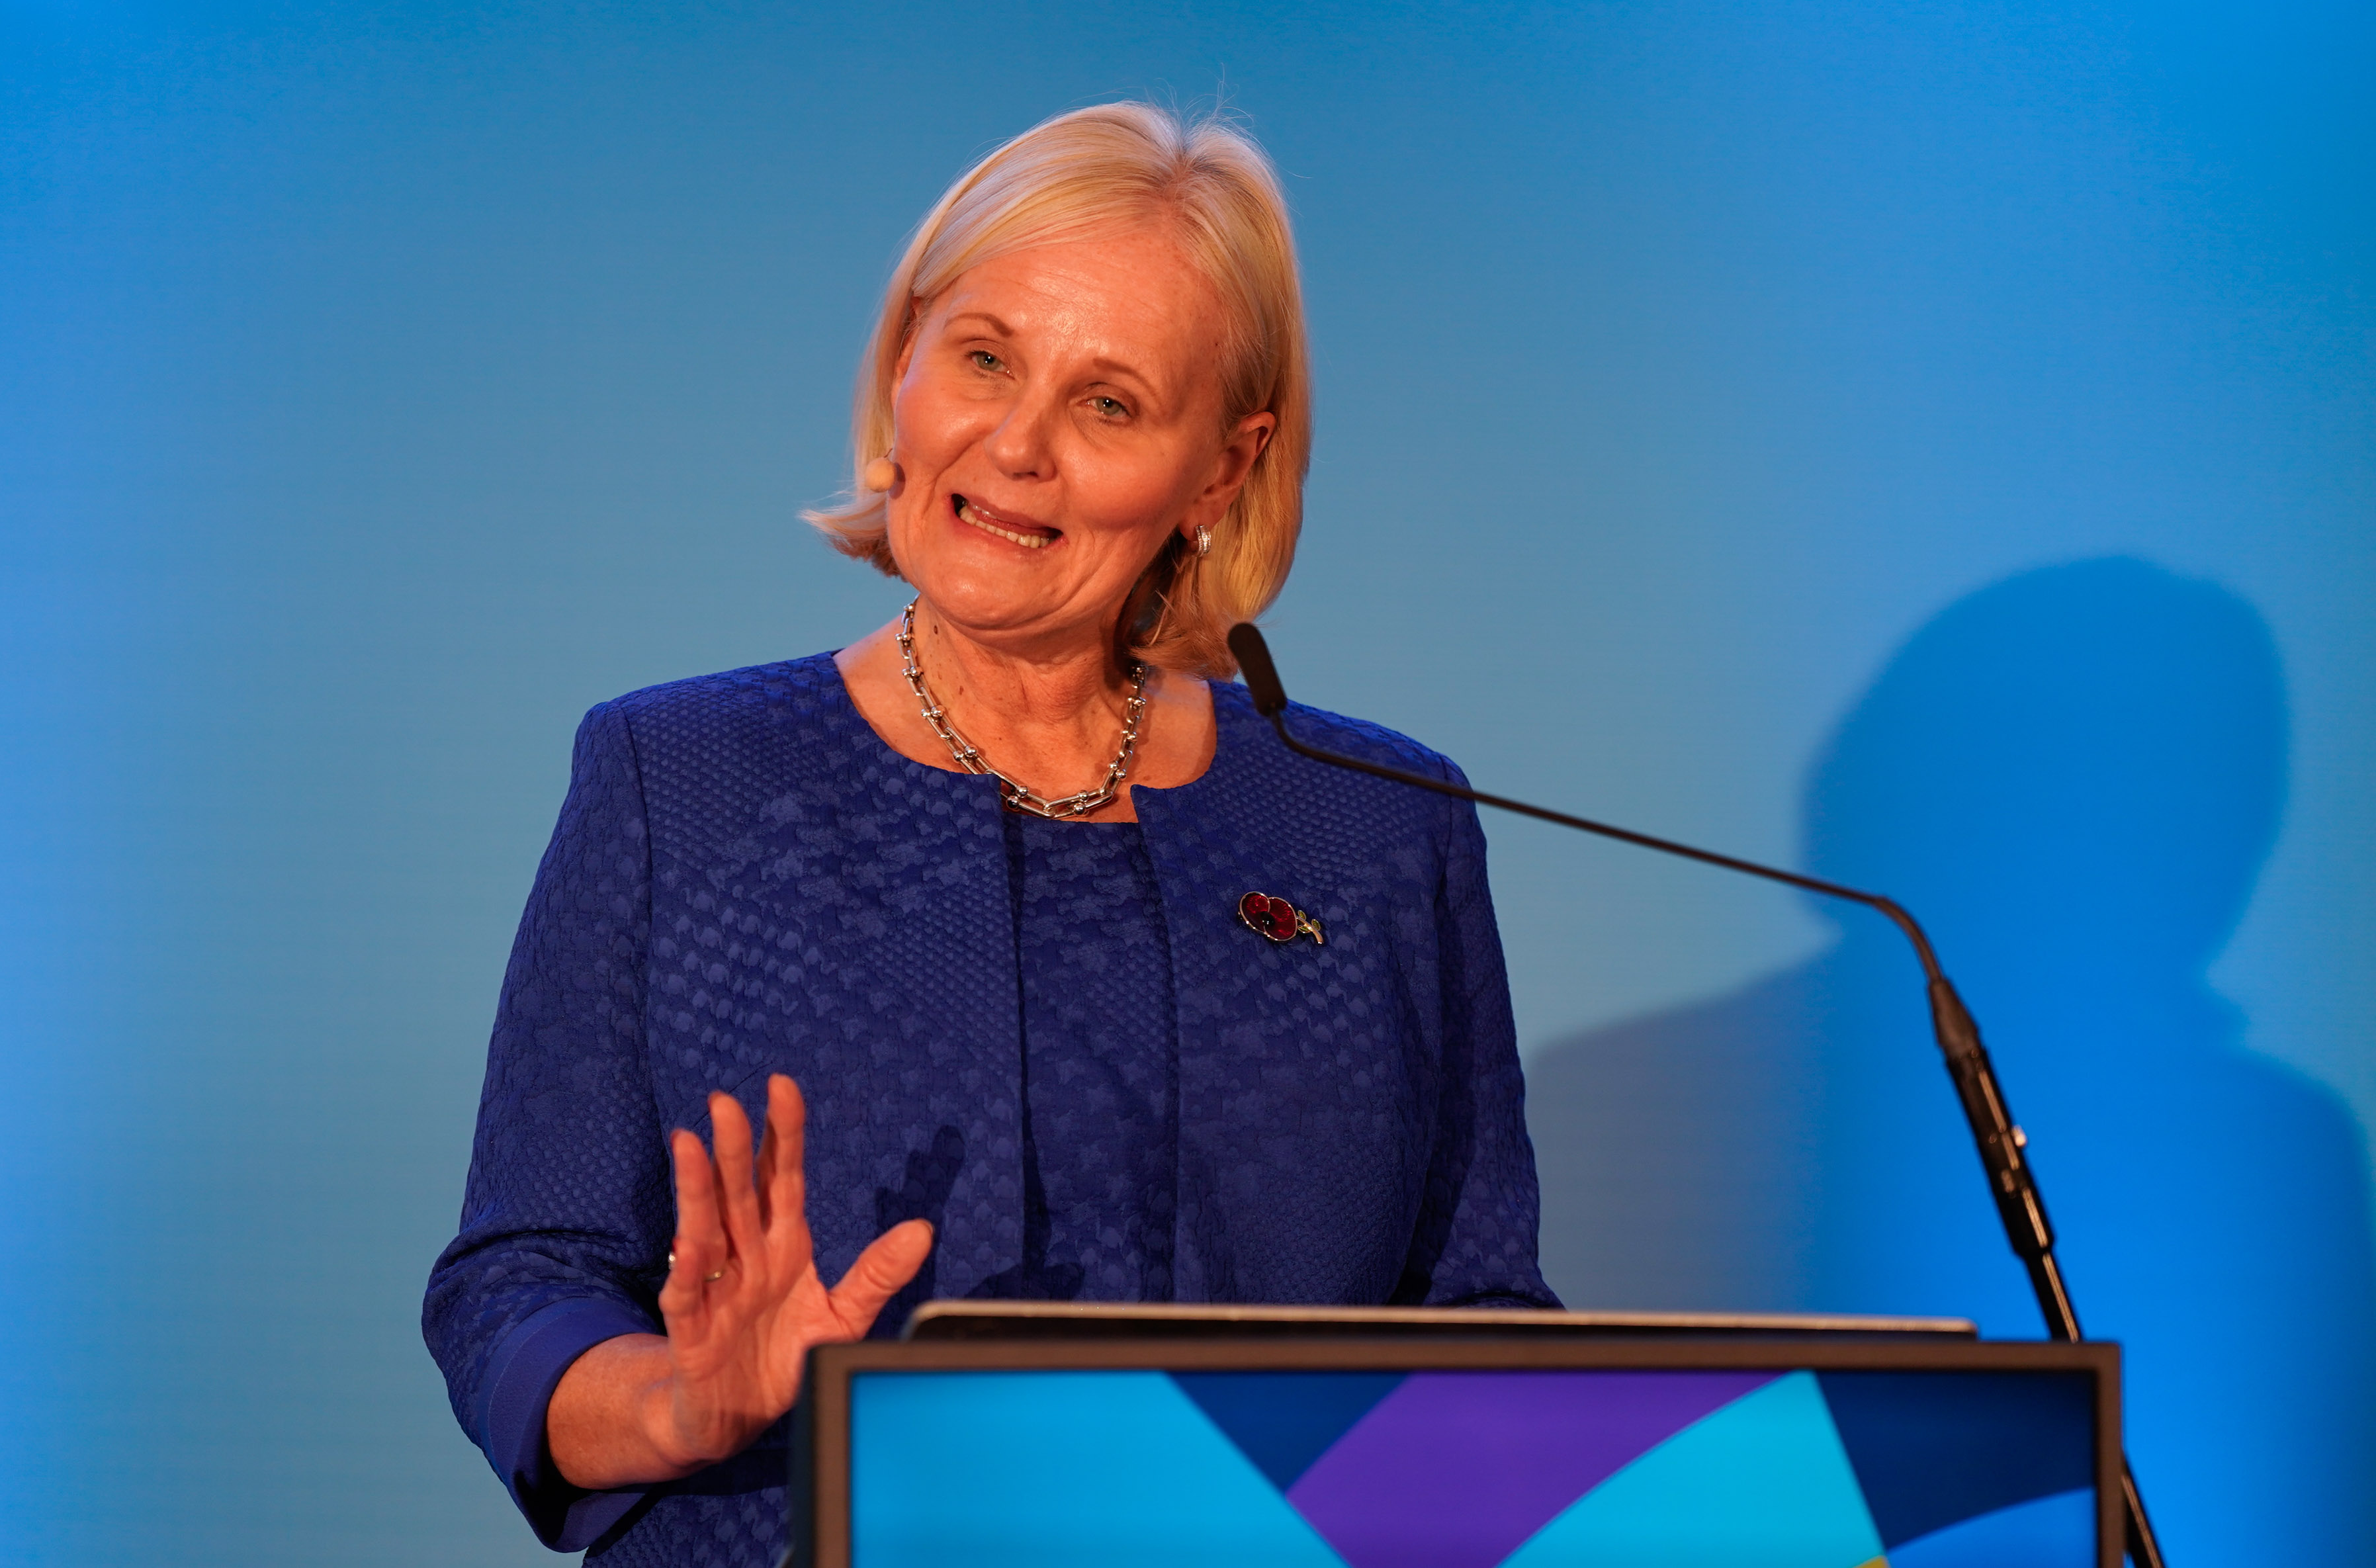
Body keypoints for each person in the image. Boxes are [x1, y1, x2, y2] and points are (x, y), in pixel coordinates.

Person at [423, 101, 1556, 1566]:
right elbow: (519, 1284)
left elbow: (1477, 1320)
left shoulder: (1379, 825)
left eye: (1109, 403)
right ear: (904, 362)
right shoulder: (680, 779)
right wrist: (678, 1402)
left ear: (1221, 471)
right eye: (982, 358)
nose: (1017, 445)